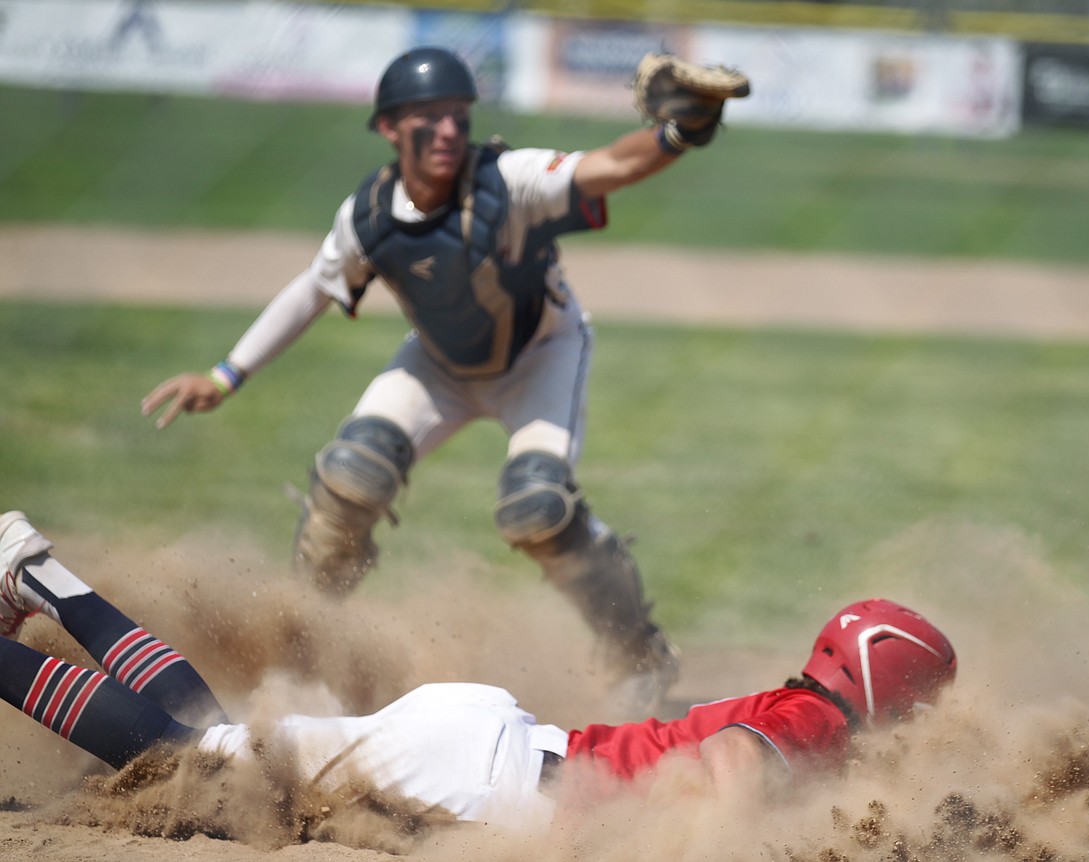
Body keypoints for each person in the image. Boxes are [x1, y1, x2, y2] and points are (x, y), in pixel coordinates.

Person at [139, 47, 747, 718]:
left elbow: (613, 165)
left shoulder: (508, 180)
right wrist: (225, 376)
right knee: (349, 478)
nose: (450, 131)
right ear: (389, 129)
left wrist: (677, 134)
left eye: (459, 115)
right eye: (429, 117)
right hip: (437, 366)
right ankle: (302, 655)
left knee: (537, 507)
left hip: (539, 355)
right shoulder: (369, 214)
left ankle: (640, 654)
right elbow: (313, 288)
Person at [0, 510, 957, 832]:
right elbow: (740, 765)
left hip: (492, 750)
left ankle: (34, 569)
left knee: (208, 732)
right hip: (486, 773)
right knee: (186, 761)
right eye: (922, 709)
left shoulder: (805, 709)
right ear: (887, 693)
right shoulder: (818, 723)